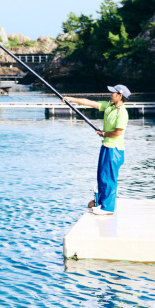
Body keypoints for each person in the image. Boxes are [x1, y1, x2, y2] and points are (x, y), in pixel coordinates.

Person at [63, 84, 131, 215]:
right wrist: (69, 99)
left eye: (113, 93)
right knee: (101, 176)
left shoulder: (122, 112)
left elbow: (117, 132)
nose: (110, 94)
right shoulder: (109, 106)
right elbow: (89, 102)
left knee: (109, 178)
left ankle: (107, 208)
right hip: (106, 146)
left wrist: (104, 133)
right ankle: (100, 202)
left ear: (120, 96)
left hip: (114, 150)